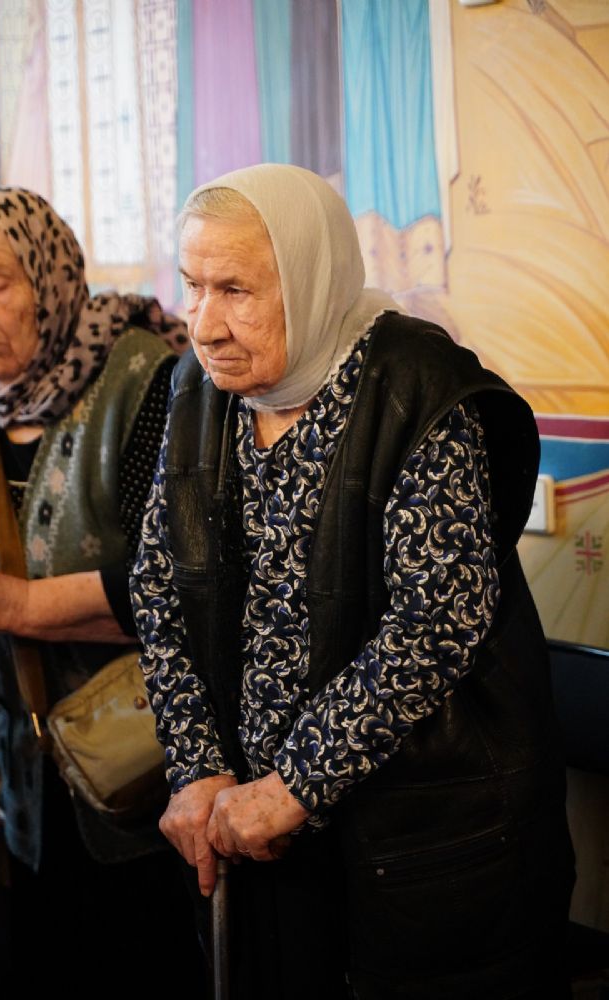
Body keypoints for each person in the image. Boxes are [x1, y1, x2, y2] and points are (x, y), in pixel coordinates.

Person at [131, 164, 576, 999]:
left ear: (312, 275)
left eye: (235, 290)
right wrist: (196, 765)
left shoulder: (413, 384)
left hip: (426, 837)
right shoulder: (199, 388)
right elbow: (158, 584)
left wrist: (295, 784)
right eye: (192, 286)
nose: (205, 324)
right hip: (258, 830)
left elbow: (436, 621)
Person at [0, 186, 204, 998]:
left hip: (148, 775)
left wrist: (11, 606)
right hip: (29, 784)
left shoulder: (146, 382)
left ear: (49, 281)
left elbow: (178, 583)